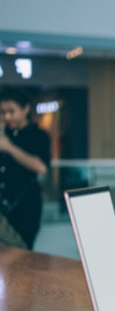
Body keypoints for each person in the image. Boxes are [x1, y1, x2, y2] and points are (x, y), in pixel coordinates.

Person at [0, 87, 51, 250]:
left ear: (26, 109)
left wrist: (9, 148)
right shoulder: (3, 133)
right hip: (2, 205)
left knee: (21, 254)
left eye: (11, 111)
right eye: (2, 112)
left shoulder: (38, 135)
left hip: (24, 207)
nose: (7, 116)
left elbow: (41, 167)